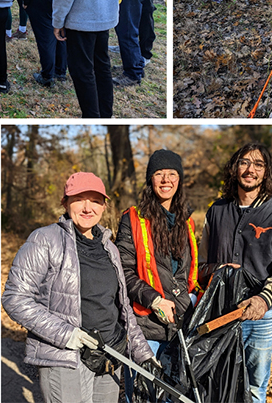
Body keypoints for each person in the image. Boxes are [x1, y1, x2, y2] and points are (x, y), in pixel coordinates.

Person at [3, 171, 156, 403]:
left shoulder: (110, 248)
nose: (87, 207)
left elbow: (123, 310)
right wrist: (68, 335)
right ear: (64, 202)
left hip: (109, 358)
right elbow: (15, 298)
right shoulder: (45, 240)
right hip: (66, 359)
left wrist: (143, 355)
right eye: (79, 198)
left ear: (104, 206)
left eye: (95, 200)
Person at [198, 143, 272, 403]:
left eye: (258, 164)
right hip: (220, 315)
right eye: (244, 162)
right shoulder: (216, 211)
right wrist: (217, 271)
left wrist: (263, 299)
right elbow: (200, 264)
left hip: (261, 317)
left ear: (266, 173)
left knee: (255, 387)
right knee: (216, 384)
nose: (250, 169)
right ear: (234, 169)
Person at [116, 149, 199, 402]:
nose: (166, 180)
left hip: (180, 327)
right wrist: (154, 299)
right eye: (159, 174)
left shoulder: (187, 221)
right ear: (150, 180)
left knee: (172, 396)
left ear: (180, 179)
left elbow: (187, 273)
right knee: (140, 395)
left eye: (172, 174)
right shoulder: (133, 219)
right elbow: (123, 271)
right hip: (145, 328)